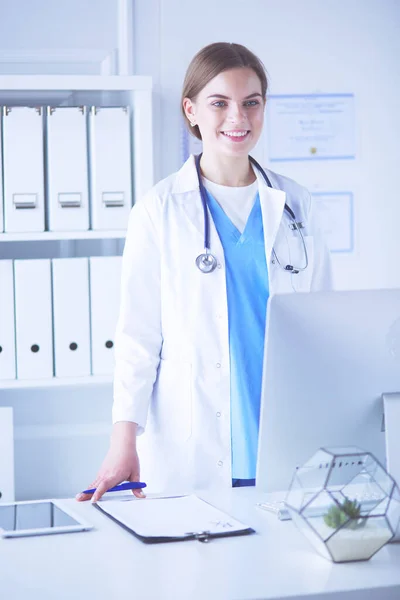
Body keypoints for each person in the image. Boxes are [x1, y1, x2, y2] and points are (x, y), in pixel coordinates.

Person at [76, 42, 332, 503]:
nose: (239, 117)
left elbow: (324, 325)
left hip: (283, 435)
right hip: (192, 449)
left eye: (251, 102)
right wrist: (122, 443)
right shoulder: (158, 210)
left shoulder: (296, 204)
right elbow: (137, 339)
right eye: (220, 103)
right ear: (191, 110)